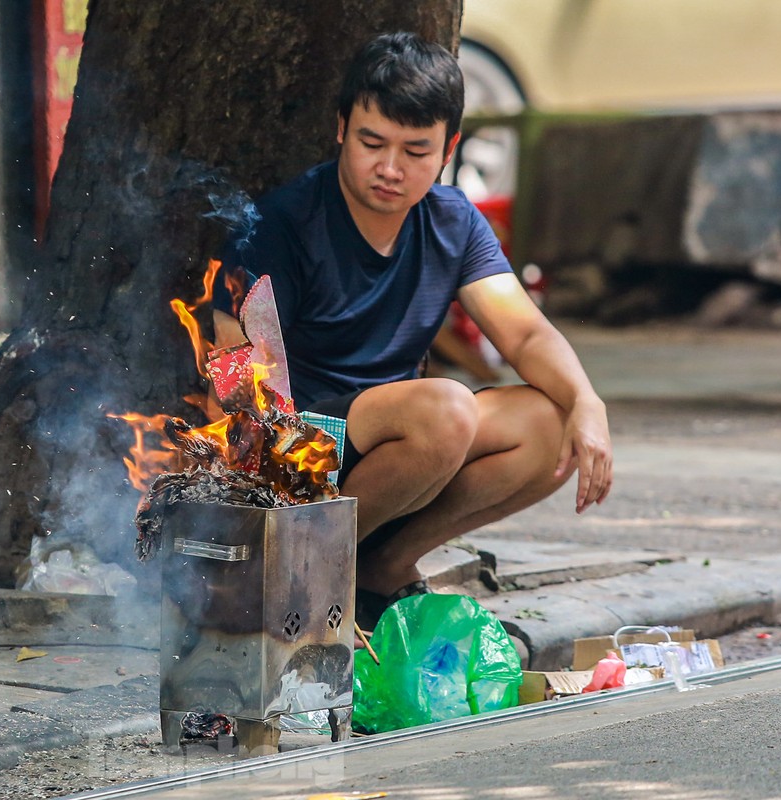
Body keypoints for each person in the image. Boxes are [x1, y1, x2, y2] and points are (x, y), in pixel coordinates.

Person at [211, 31, 613, 628]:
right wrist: (258, 486)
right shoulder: (282, 223)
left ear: (449, 148)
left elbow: (525, 334)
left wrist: (587, 402)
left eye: (416, 151)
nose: (390, 169)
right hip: (300, 451)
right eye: (372, 142)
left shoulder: (454, 221)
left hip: (411, 452)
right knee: (446, 410)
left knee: (551, 425)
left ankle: (384, 567)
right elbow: (236, 369)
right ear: (341, 128)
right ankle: (300, 566)